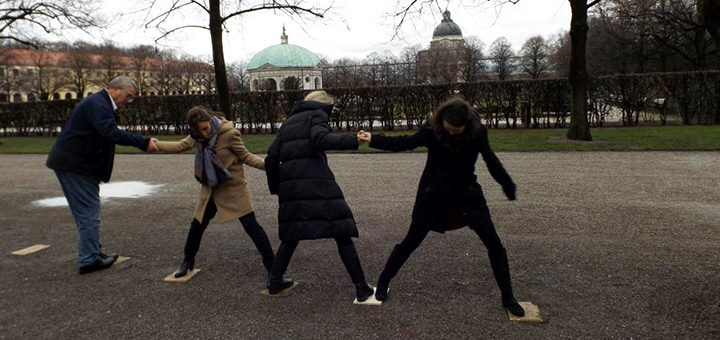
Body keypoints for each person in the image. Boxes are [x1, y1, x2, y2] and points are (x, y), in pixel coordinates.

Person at [357, 97, 525, 316]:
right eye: (449, 129)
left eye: (457, 130)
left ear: (467, 124)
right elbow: (405, 143)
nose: (453, 133)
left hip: (467, 196)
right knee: (410, 242)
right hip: (433, 195)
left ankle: (508, 297)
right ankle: (384, 280)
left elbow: (490, 158)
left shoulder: (477, 131)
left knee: (495, 245)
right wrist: (373, 139)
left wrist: (507, 183)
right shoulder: (432, 128)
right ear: (442, 120)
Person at [264, 91, 374, 302]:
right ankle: (361, 288)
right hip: (317, 183)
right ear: (324, 106)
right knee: (341, 230)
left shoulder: (288, 124)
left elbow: (271, 157)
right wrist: (353, 141)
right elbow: (320, 139)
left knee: (291, 235)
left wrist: (277, 187)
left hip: (292, 188)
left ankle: (274, 281)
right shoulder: (317, 115)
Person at [46, 76, 159, 275]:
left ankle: (93, 252)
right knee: (89, 213)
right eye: (128, 96)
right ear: (115, 89)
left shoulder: (98, 103)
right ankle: (89, 259)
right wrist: (143, 142)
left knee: (86, 212)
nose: (128, 101)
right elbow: (109, 131)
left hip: (74, 164)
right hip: (76, 165)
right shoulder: (98, 104)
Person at [152, 106, 277, 281]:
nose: (203, 133)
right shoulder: (196, 136)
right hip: (210, 188)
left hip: (233, 189)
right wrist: (154, 144)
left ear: (210, 121)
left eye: (205, 128)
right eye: (198, 130)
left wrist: (270, 167)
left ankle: (273, 268)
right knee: (197, 225)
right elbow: (180, 146)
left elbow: (246, 156)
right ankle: (188, 262)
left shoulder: (229, 134)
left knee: (252, 227)